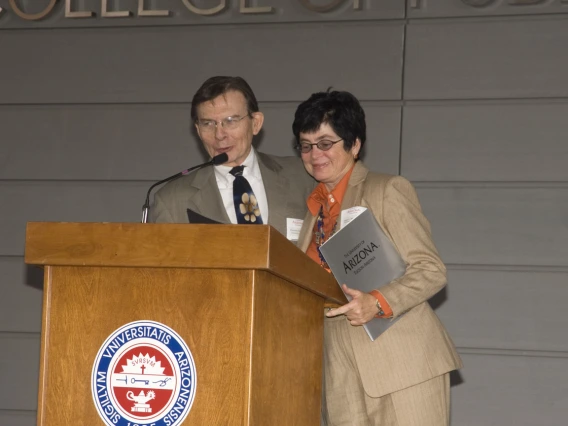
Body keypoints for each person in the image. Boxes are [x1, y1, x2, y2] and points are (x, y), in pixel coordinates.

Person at [293, 90, 463, 426]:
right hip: (340, 372)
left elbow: (430, 270)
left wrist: (378, 301)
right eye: (306, 145)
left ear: (354, 145)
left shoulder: (387, 190)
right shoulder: (313, 212)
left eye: (326, 143)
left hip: (402, 363)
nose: (315, 154)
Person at [151, 76, 314, 238]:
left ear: (255, 123)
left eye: (230, 121)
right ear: (198, 130)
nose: (219, 135)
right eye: (208, 123)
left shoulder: (303, 176)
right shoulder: (171, 202)